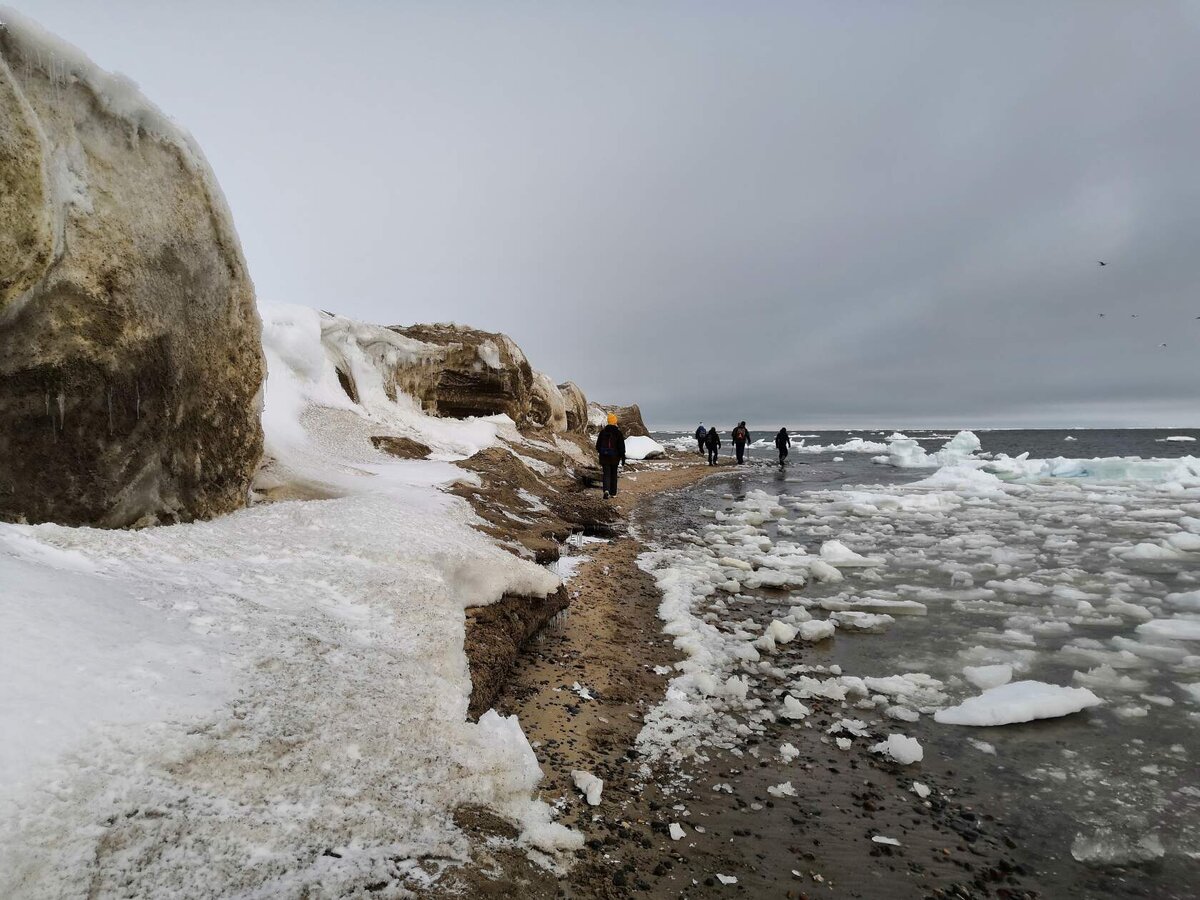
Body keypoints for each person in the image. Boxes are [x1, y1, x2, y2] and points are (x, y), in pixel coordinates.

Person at [595, 413, 626, 499]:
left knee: (606, 474)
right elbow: (621, 447)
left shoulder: (603, 432)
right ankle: (613, 493)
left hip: (604, 457)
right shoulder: (618, 433)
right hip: (615, 458)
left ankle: (606, 490)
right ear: (614, 422)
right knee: (613, 474)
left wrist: (602, 453)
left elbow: (597, 446)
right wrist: (623, 457)